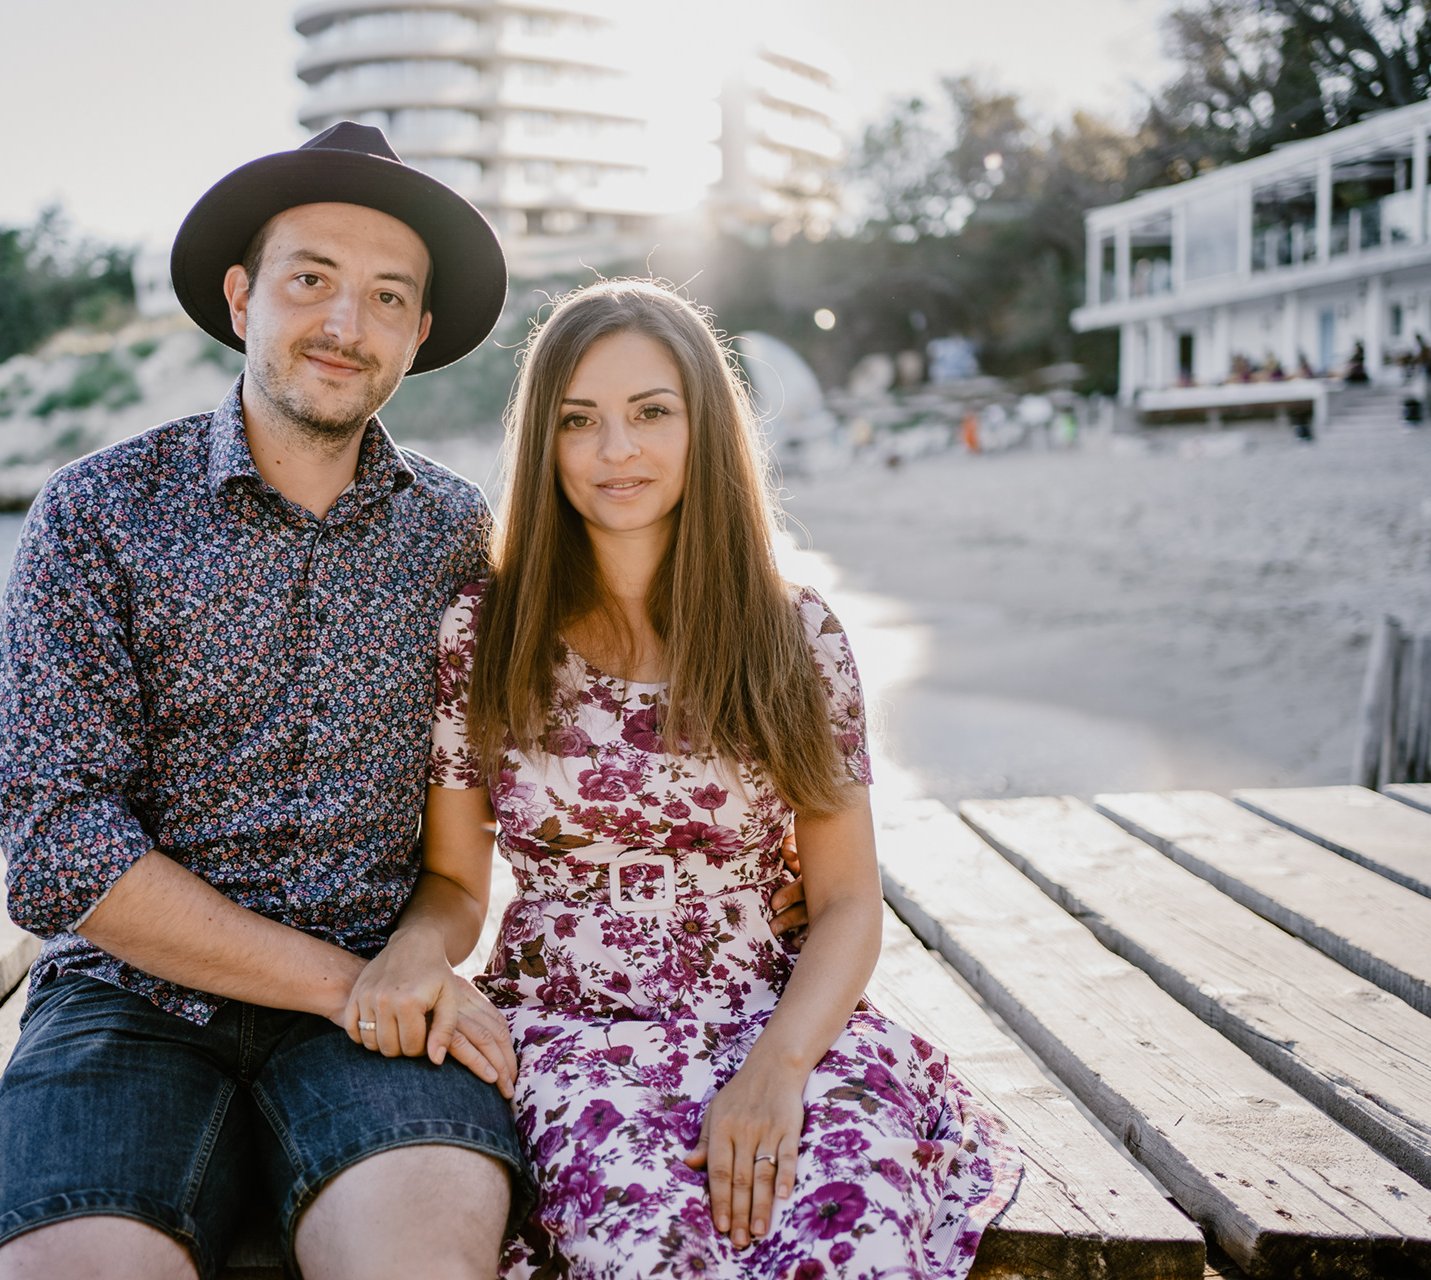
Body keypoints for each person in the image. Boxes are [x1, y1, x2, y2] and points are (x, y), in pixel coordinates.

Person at [0, 126, 812, 1280]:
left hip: (385, 1004)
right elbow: (58, 849)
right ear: (241, 296)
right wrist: (347, 984)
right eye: (310, 279)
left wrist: (740, 857)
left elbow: (567, 742)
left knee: (423, 1257)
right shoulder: (99, 513)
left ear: (418, 333)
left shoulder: (460, 537)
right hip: (135, 1002)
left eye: (386, 296)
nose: (344, 323)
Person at [378, 279, 1023, 1278]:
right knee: (652, 1254)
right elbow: (458, 885)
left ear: (705, 426)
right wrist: (414, 951)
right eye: (578, 420)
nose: (616, 450)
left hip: (779, 1016)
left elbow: (848, 901)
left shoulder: (793, 632)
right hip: (575, 1031)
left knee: (853, 1242)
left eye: (651, 413)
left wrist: (777, 1070)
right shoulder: (485, 629)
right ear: (544, 442)